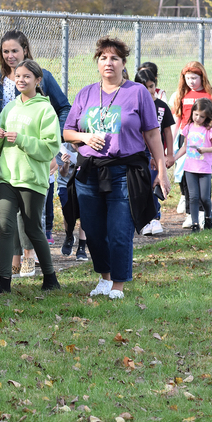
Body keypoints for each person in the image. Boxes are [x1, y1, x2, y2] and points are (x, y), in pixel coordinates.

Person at [63, 36, 170, 300]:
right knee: (93, 230)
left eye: (114, 58)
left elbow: (152, 133)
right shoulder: (86, 93)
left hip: (125, 172)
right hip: (89, 172)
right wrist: (85, 137)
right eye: (103, 58)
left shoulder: (138, 92)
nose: (108, 63)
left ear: (123, 63)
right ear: (97, 63)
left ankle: (118, 286)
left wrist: (162, 171)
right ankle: (105, 278)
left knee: (119, 230)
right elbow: (68, 132)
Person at [0, 60, 61, 294]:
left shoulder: (45, 109)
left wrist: (21, 139)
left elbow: (49, 148)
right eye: (18, 76)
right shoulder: (9, 107)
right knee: (6, 228)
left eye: (27, 76)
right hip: (7, 177)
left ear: (38, 80)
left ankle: (50, 277)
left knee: (33, 229)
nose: (21, 80)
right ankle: (4, 282)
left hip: (31, 179)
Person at [169, 61, 212, 228]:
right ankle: (190, 214)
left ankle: (204, 213)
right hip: (186, 137)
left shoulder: (210, 94)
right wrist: (170, 145)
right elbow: (177, 120)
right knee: (186, 176)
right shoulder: (182, 94)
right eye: (188, 78)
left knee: (202, 179)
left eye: (194, 78)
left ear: (202, 77)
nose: (191, 81)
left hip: (205, 139)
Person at [134, 68, 175, 236]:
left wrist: (169, 154)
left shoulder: (162, 106)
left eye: (151, 86)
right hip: (138, 154)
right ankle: (143, 220)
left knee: (154, 184)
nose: (149, 90)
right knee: (140, 187)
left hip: (155, 155)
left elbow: (167, 132)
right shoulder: (134, 106)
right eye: (144, 87)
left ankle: (155, 217)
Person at [173, 98, 212, 232]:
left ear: (207, 117)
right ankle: (195, 224)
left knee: (204, 198)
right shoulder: (188, 127)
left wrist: (205, 149)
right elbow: (185, 147)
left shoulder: (208, 130)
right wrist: (173, 158)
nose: (198, 118)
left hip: (204, 169)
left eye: (202, 116)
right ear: (192, 112)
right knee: (193, 197)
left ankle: (208, 217)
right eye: (196, 114)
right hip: (190, 168)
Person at [56, 142, 87, 261]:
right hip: (66, 185)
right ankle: (69, 236)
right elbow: (63, 173)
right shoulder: (62, 148)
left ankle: (82, 247)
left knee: (84, 213)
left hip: (83, 183)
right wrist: (66, 163)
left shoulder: (89, 147)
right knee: (68, 212)